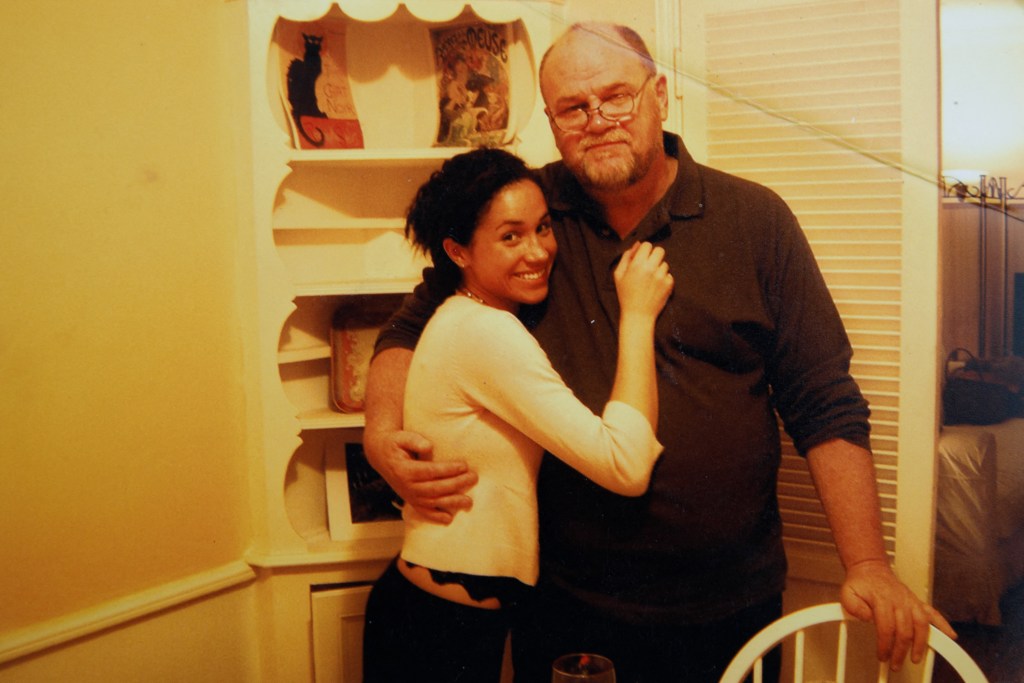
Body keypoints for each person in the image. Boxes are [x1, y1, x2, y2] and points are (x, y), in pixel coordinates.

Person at [364, 22, 956, 683]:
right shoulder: (528, 217)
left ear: (660, 95)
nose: (597, 120)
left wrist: (868, 562)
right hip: (567, 602)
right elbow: (407, 329)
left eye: (616, 95)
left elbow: (825, 402)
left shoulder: (754, 220)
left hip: (729, 605)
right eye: (573, 107)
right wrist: (382, 433)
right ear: (553, 123)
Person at [361, 147, 674, 682]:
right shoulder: (486, 331)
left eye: (543, 228)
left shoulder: (467, 316)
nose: (538, 251)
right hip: (440, 624)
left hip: (441, 609)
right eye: (511, 236)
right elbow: (625, 466)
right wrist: (639, 316)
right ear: (458, 251)